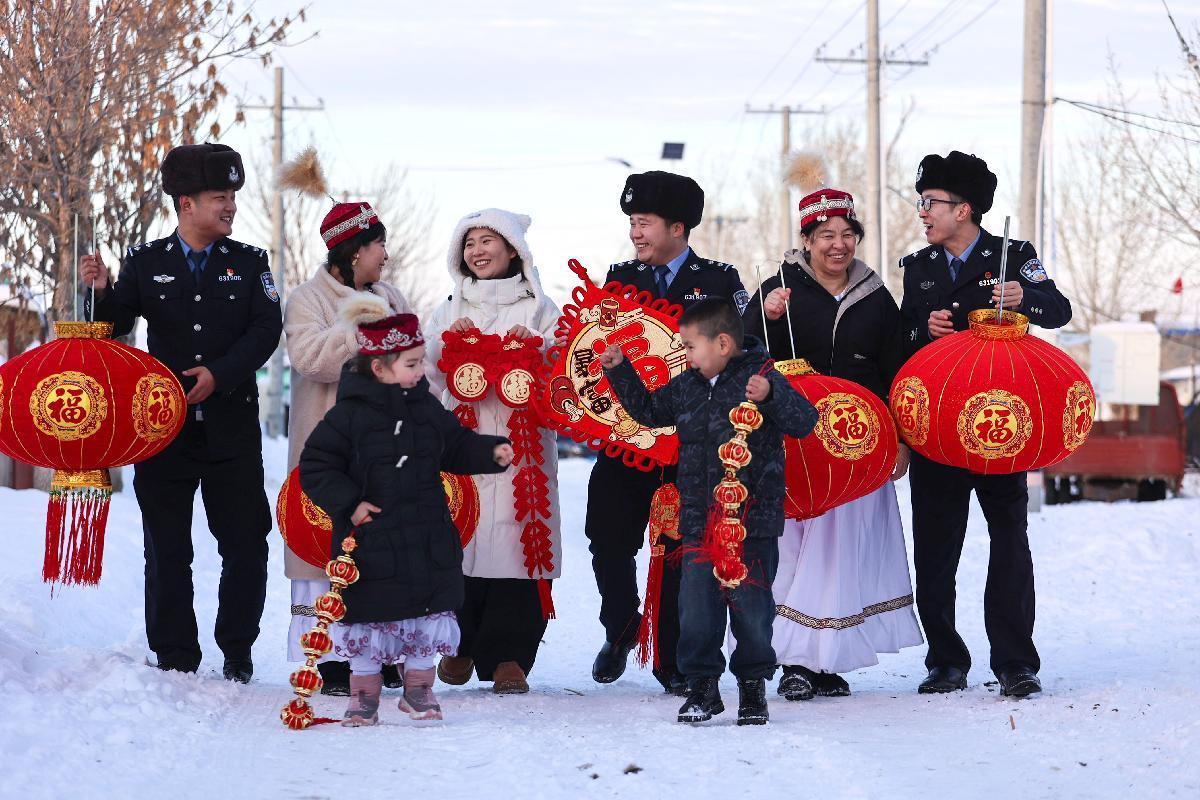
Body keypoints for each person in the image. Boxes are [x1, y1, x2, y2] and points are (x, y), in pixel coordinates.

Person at [79, 143, 281, 683]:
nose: (230, 206)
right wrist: (99, 291)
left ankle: (237, 649)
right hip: (162, 430)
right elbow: (113, 324)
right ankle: (174, 656)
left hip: (232, 429)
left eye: (232, 196)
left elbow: (267, 329)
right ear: (186, 203)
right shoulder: (147, 261)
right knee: (166, 548)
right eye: (220, 197)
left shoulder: (249, 262)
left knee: (246, 544)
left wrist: (220, 374)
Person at [898, 150, 1072, 698]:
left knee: (1010, 544)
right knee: (935, 551)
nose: (923, 212)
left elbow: (1059, 309)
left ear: (964, 209)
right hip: (937, 434)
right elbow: (899, 342)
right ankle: (945, 660)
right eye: (921, 202)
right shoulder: (920, 267)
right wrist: (924, 330)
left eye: (931, 203)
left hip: (1000, 430)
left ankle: (1015, 662)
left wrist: (1026, 297)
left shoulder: (1013, 256)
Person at [742, 188, 923, 701]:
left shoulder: (876, 296)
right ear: (807, 240)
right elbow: (737, 352)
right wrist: (766, 318)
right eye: (826, 235)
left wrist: (900, 440)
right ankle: (793, 659)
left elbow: (896, 372)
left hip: (857, 444)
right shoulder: (778, 288)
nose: (838, 245)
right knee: (794, 549)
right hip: (792, 443)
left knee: (842, 553)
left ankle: (826, 658)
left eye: (847, 234)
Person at [602, 298, 818, 725]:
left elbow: (804, 421)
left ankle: (753, 687)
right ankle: (702, 686)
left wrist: (772, 396)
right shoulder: (688, 384)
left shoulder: (762, 376)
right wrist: (619, 369)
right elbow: (649, 412)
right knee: (696, 610)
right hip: (699, 521)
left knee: (752, 611)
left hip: (751, 523)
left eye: (690, 346)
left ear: (722, 343)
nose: (685, 354)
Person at [299, 308, 513, 725]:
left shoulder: (425, 409)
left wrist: (489, 452)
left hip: (425, 534)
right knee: (367, 618)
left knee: (424, 617)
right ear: (380, 368)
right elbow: (316, 466)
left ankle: (418, 691)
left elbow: (455, 444)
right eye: (412, 364)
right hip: (369, 540)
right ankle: (363, 696)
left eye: (420, 362)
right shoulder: (347, 417)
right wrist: (350, 502)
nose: (420, 371)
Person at [588, 171, 749, 696]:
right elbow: (595, 348)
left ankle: (674, 658)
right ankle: (621, 626)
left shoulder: (719, 281)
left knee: (680, 550)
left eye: (644, 223)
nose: (635, 233)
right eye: (632, 223)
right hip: (627, 438)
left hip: (690, 445)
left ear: (678, 227)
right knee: (607, 535)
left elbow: (741, 353)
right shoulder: (618, 279)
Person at [422, 209, 562, 694]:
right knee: (461, 537)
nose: (477, 251)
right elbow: (426, 374)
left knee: (519, 546)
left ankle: (510, 658)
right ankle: (457, 645)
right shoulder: (447, 309)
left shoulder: (541, 309)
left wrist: (538, 349)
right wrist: (445, 345)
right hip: (461, 447)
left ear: (512, 249)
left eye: (487, 240)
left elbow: (566, 370)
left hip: (524, 452)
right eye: (469, 243)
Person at [283, 199, 410, 696]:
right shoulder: (307, 299)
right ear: (355, 250)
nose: (386, 255)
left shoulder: (393, 296)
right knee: (324, 545)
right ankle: (333, 656)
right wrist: (359, 327)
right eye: (379, 245)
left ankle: (384, 652)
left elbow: (413, 359)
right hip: (329, 449)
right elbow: (310, 358)